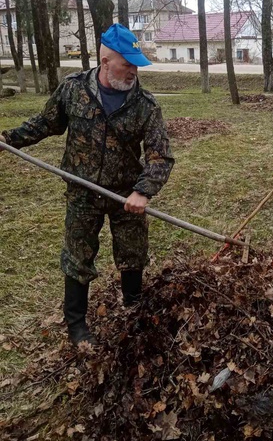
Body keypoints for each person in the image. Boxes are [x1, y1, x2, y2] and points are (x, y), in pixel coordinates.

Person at [0, 23, 174, 347]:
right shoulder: (73, 89)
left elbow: (160, 155)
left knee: (133, 255)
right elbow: (46, 123)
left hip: (125, 193)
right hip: (82, 191)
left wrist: (143, 190)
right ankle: (77, 326)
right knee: (78, 257)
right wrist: (9, 139)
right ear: (105, 61)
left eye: (136, 64)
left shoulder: (145, 105)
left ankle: (133, 314)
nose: (134, 71)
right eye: (127, 64)